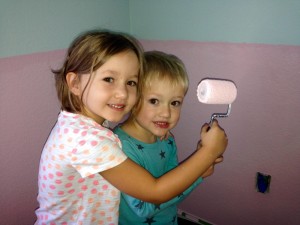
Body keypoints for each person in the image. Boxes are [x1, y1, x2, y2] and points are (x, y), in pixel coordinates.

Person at [35, 29, 228, 225]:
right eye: (109, 79)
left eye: (130, 82)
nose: (122, 93)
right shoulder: (85, 140)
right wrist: (208, 152)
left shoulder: (85, 125)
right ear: (75, 83)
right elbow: (154, 192)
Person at [114, 51, 224, 225]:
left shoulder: (166, 139)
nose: (166, 113)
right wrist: (199, 168)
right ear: (133, 98)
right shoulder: (119, 146)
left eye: (174, 103)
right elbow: (143, 208)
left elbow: (174, 187)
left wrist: (198, 172)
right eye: (154, 101)